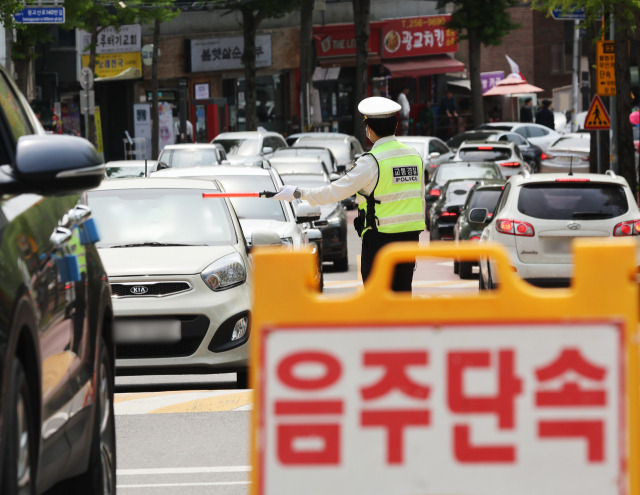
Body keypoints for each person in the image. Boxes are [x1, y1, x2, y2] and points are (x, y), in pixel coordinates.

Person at [274, 96, 426, 292]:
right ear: (396, 125)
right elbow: (419, 196)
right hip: (410, 239)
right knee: (403, 297)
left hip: (380, 239)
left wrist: (298, 193)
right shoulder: (414, 156)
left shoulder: (371, 162)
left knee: (376, 300)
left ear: (369, 129)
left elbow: (335, 191)